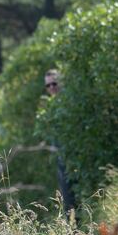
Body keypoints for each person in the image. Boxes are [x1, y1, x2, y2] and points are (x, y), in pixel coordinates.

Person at [44, 69, 77, 220]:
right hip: (62, 165)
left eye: (54, 83)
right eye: (48, 85)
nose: (51, 88)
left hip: (76, 161)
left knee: (81, 203)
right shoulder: (51, 108)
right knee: (68, 208)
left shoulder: (70, 103)